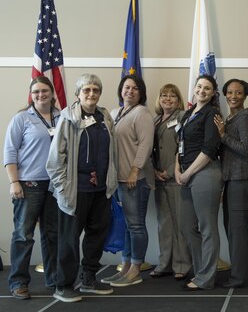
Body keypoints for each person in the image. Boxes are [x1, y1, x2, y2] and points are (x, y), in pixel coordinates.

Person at [46, 74, 118, 302]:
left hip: (101, 190)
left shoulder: (105, 117)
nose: (92, 94)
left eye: (96, 90)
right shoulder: (67, 119)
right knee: (69, 240)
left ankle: (89, 279)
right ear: (78, 94)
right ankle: (64, 285)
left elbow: (112, 152)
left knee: (96, 235)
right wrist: (63, 188)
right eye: (87, 90)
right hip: (76, 191)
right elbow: (55, 161)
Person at [4, 76, 60, 300]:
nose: (40, 95)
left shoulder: (61, 116)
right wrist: (14, 182)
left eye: (44, 90)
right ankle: (18, 282)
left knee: (53, 234)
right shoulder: (21, 118)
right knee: (23, 236)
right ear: (31, 94)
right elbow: (10, 151)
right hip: (28, 185)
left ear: (52, 92)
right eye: (36, 91)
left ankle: (55, 279)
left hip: (55, 186)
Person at [102, 75, 155, 287]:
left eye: (135, 88)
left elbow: (145, 145)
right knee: (124, 225)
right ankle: (124, 266)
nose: (130, 91)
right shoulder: (114, 113)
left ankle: (136, 267)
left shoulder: (142, 113)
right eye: (126, 87)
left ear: (141, 93)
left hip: (135, 180)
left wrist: (135, 170)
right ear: (120, 90)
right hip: (117, 180)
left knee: (136, 225)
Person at [213, 78, 248, 288]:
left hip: (243, 178)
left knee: (237, 229)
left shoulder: (244, 118)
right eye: (230, 92)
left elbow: (247, 150)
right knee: (232, 228)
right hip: (233, 179)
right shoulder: (231, 117)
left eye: (238, 93)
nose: (233, 96)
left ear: (245, 95)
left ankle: (241, 278)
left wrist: (222, 136)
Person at [176, 75, 223, 290]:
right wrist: (178, 169)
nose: (202, 91)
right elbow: (181, 145)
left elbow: (210, 149)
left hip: (205, 173)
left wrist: (188, 173)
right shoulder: (188, 114)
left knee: (207, 228)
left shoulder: (212, 113)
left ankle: (206, 278)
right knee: (187, 225)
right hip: (185, 173)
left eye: (207, 88)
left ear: (213, 93)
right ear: (194, 89)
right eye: (199, 87)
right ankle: (200, 270)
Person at [150, 84, 191, 280]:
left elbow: (185, 146)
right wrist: (154, 171)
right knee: (164, 224)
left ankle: (182, 264)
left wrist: (171, 170)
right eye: (164, 95)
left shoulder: (183, 117)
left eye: (172, 96)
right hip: (159, 179)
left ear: (178, 100)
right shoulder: (155, 120)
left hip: (177, 178)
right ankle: (164, 262)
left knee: (180, 224)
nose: (168, 99)